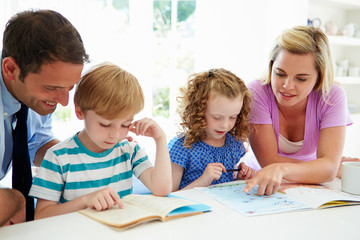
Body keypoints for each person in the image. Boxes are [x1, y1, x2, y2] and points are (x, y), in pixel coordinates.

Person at [29, 63, 172, 219]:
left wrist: (160, 139)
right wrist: (85, 200)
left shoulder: (129, 150)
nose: (115, 135)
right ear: (79, 111)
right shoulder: (58, 157)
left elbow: (162, 189)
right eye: (105, 124)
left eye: (125, 124)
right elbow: (41, 216)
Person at [0, 9, 88, 224]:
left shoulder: (34, 99)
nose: (63, 100)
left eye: (70, 87)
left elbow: (35, 143)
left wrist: (87, 155)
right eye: (51, 88)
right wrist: (15, 201)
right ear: (11, 69)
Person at [244, 25, 353, 196]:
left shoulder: (331, 96)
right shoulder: (257, 91)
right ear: (271, 67)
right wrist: (318, 169)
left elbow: (328, 170)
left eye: (301, 79)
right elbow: (269, 163)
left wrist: (326, 168)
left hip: (307, 186)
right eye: (280, 74)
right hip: (257, 181)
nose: (287, 86)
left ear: (319, 76)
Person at [169, 68, 255, 191]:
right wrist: (204, 180)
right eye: (217, 117)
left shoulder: (234, 144)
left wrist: (240, 179)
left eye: (232, 117)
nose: (224, 125)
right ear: (198, 111)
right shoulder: (182, 148)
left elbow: (224, 186)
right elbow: (169, 198)